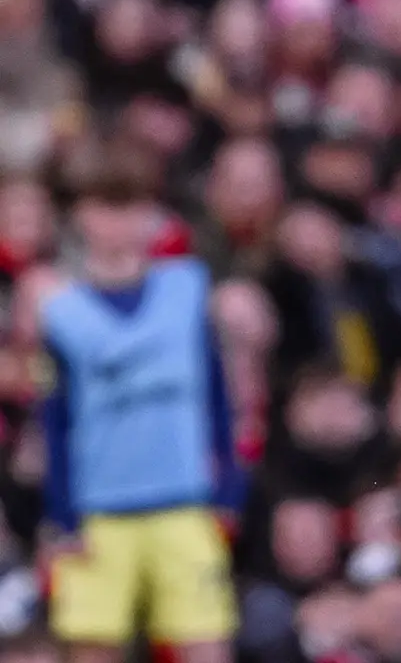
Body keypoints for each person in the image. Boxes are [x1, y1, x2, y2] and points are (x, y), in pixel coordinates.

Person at [36, 153, 242, 663]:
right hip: (101, 510)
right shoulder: (62, 313)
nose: (120, 223)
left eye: (132, 208)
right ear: (82, 216)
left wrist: (229, 489)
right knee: (93, 647)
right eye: (107, 208)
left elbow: (218, 395)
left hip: (183, 501)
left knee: (206, 641)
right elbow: (56, 418)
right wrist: (63, 518)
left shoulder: (186, 289)